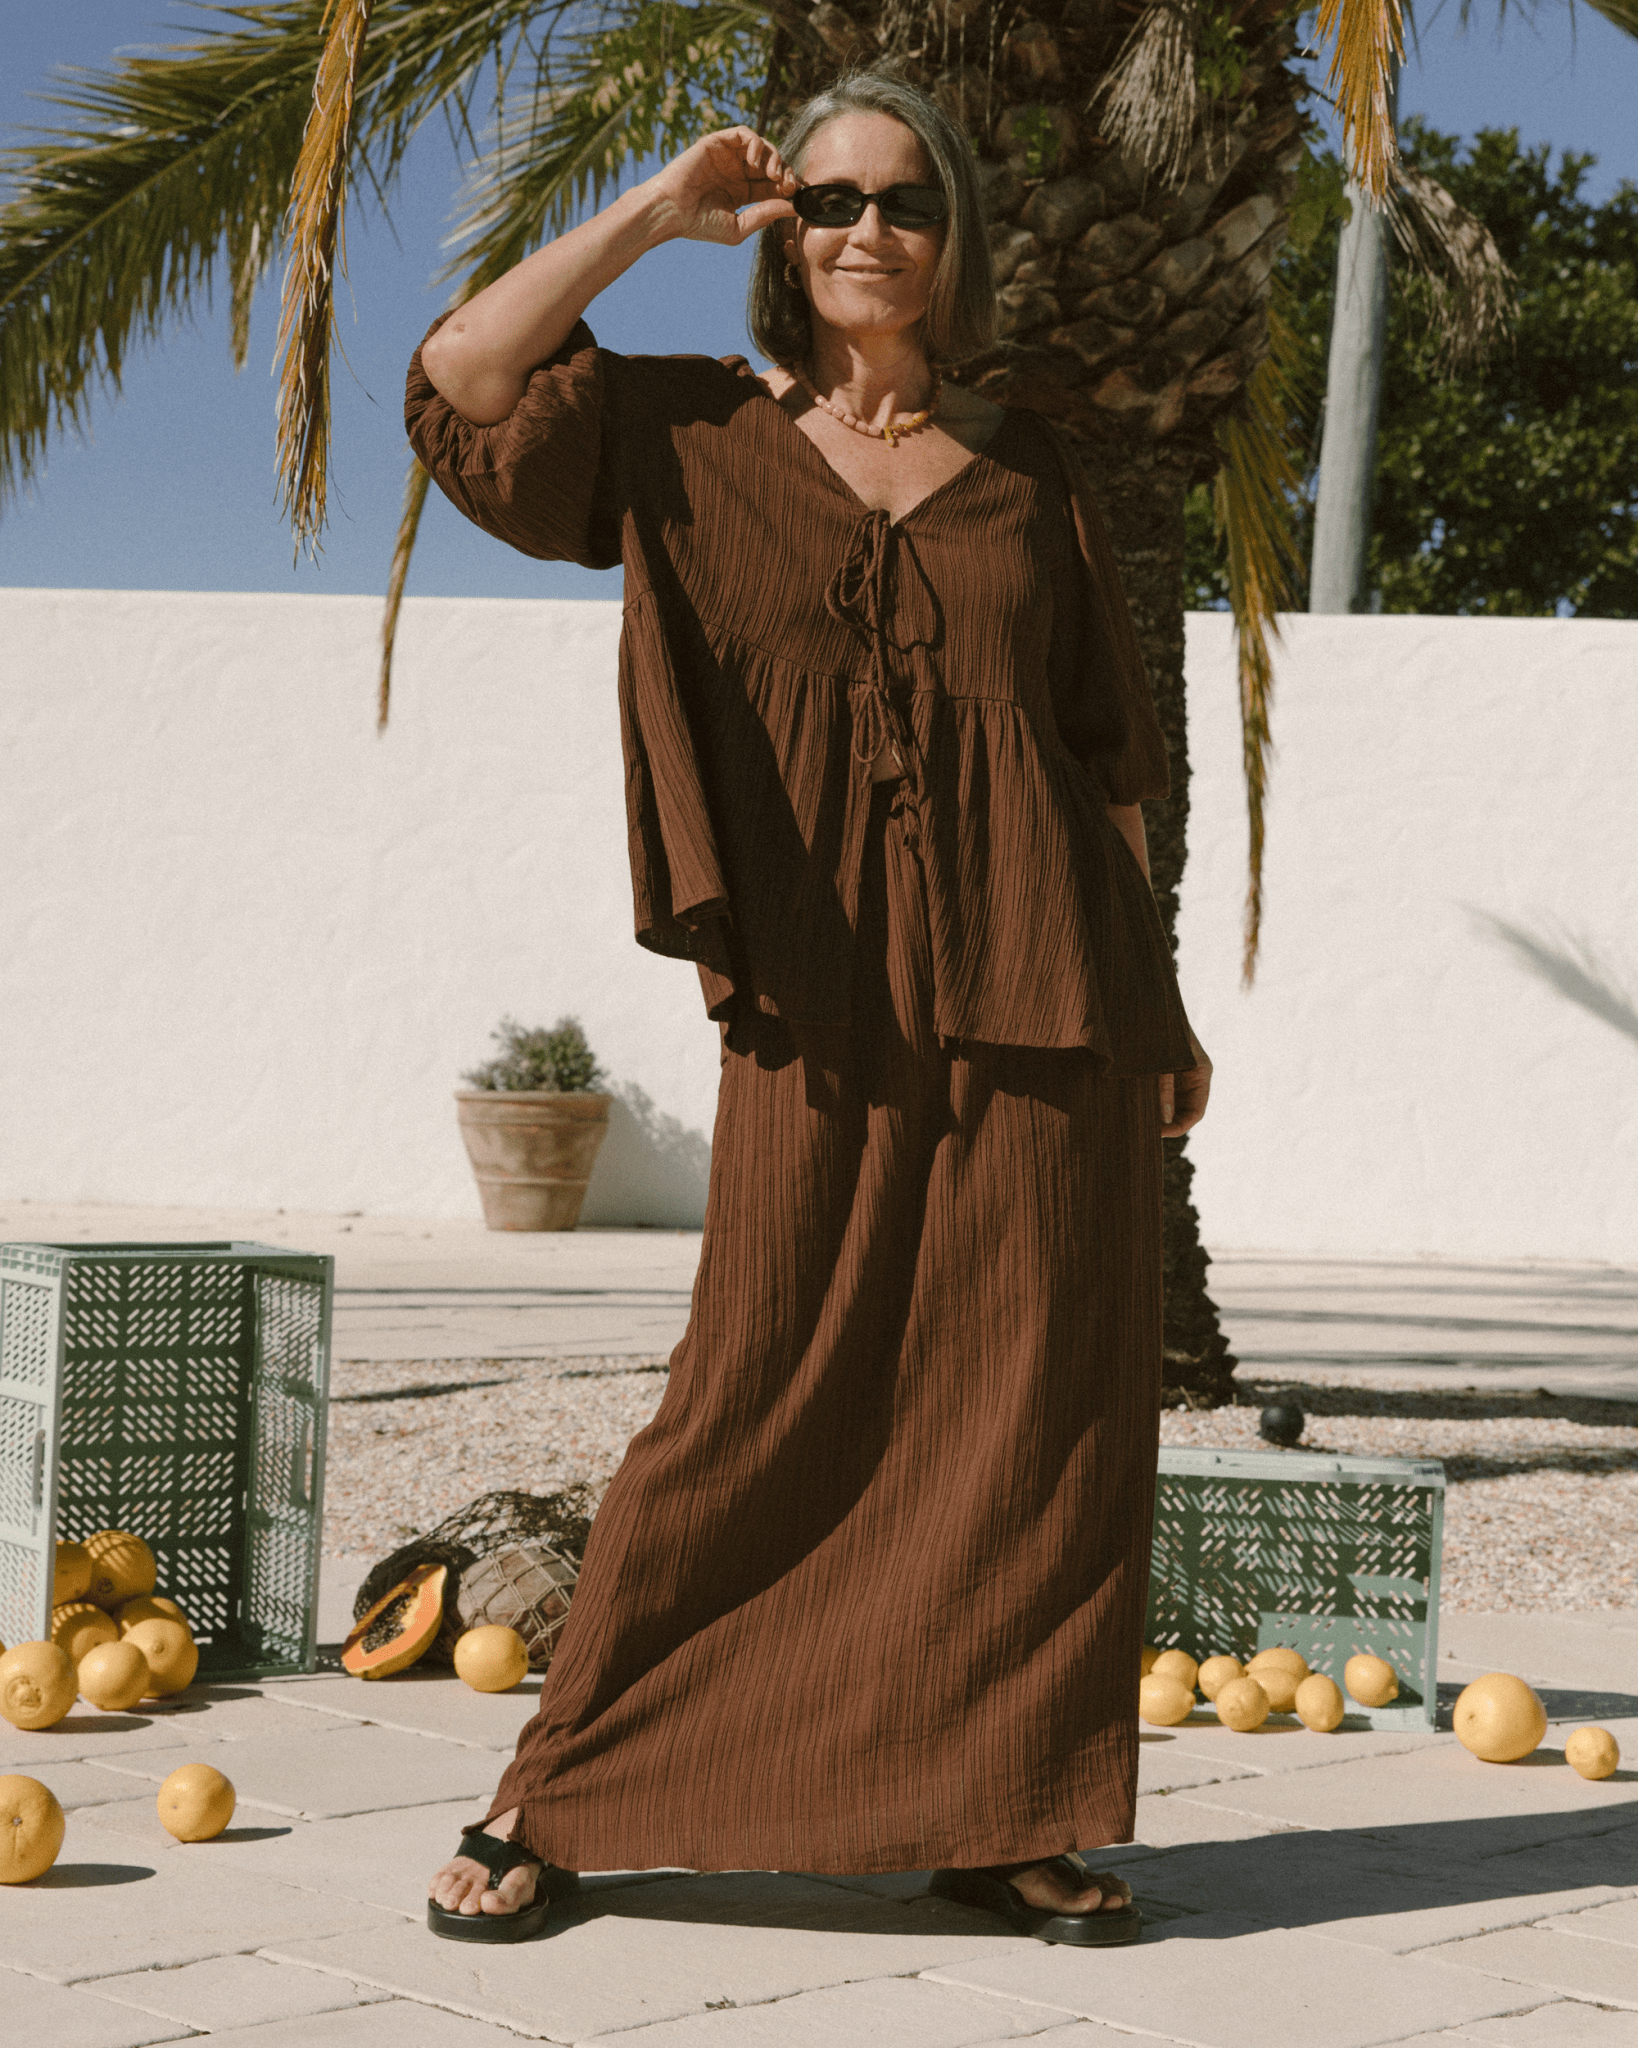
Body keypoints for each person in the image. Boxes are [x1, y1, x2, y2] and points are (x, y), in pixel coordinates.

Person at [410, 62, 1211, 1950]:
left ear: (954, 239)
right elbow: (464, 379)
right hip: (815, 998)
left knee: (1032, 1418)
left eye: (904, 202)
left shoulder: (1026, 470)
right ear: (786, 231)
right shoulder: (688, 433)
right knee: (751, 1394)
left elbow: (1103, 766)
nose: (867, 231)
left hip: (1052, 996)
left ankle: (998, 1814)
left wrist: (1161, 1008)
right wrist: (654, 210)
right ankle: (563, 1792)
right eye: (831, 199)